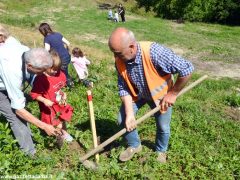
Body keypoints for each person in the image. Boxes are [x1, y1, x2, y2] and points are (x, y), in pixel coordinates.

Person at [108, 27, 194, 163]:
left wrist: (173, 93)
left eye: (118, 53)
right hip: (138, 94)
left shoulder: (155, 52)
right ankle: (134, 145)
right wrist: (130, 114)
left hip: (160, 96)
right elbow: (123, 87)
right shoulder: (119, 60)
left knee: (163, 127)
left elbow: (187, 68)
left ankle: (161, 150)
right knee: (122, 118)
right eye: (114, 53)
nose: (115, 57)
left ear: (131, 46)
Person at [0, 24, 59, 156]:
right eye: (41, 71)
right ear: (30, 65)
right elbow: (18, 109)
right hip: (1, 87)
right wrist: (44, 126)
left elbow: (32, 75)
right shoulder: (11, 69)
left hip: (8, 76)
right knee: (16, 117)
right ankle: (30, 154)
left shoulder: (25, 50)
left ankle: (28, 138)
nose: (43, 74)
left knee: (21, 104)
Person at [30, 50, 74, 146]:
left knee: (62, 120)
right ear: (45, 66)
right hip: (49, 107)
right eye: (53, 69)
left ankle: (63, 133)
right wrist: (44, 100)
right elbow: (34, 94)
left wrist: (64, 94)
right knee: (57, 123)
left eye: (57, 69)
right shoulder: (40, 79)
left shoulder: (59, 74)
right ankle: (58, 138)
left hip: (59, 103)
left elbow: (60, 88)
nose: (55, 71)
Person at [38, 22, 73, 87]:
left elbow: (46, 50)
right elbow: (68, 43)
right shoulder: (58, 34)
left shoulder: (47, 38)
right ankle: (67, 82)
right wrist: (67, 51)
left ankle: (69, 85)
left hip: (60, 60)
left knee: (62, 73)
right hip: (67, 57)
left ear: (43, 31)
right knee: (65, 71)